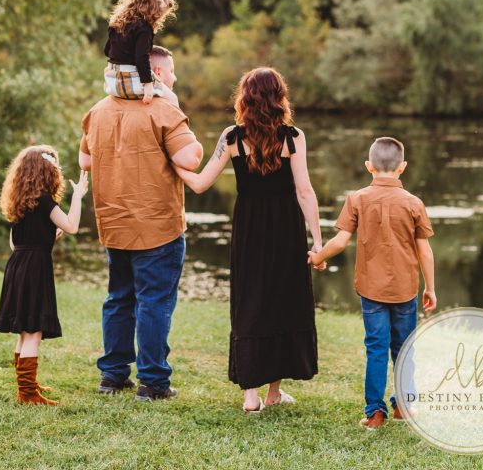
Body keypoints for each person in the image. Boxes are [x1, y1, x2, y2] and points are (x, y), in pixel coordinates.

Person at [175, 67, 321, 413]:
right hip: (285, 227)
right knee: (282, 300)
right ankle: (273, 392)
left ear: (245, 99)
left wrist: (169, 162)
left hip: (249, 228)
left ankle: (252, 396)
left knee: (251, 300)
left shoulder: (231, 137)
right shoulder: (293, 137)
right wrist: (317, 240)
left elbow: (199, 184)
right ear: (278, 97)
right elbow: (303, 190)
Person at [79, 47, 202, 402]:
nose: (175, 79)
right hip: (157, 226)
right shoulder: (163, 109)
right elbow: (189, 159)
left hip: (113, 221)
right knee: (154, 302)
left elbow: (84, 160)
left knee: (119, 298)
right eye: (172, 72)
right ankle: (153, 382)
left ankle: (113, 376)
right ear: (158, 74)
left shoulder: (98, 110)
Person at [309, 136, 437, 430]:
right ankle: (404, 407)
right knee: (404, 349)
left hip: (371, 291)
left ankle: (374, 413)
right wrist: (430, 287)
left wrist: (317, 258)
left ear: (369, 166)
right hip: (405, 291)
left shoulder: (357, 199)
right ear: (402, 167)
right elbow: (425, 251)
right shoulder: (414, 203)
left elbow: (340, 241)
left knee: (376, 348)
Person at [0, 145, 89, 405]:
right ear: (48, 170)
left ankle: (27, 385)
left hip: (17, 266)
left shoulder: (20, 201)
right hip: (35, 269)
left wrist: (47, 235)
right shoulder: (45, 200)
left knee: (24, 330)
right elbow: (72, 226)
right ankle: (27, 394)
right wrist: (78, 195)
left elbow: (16, 243)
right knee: (33, 330)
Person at [103, 0, 179, 105]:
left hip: (112, 82)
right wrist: (148, 86)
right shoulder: (144, 28)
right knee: (172, 99)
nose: (161, 17)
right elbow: (141, 58)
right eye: (161, 13)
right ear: (153, 6)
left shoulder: (116, 23)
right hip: (131, 82)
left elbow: (107, 51)